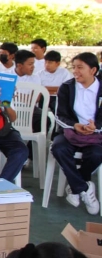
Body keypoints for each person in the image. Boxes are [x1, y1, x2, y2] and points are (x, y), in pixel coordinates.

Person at [52, 52, 102, 215]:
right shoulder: (67, 87)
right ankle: (84, 187)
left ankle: (75, 186)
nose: (76, 71)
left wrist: (96, 127)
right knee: (58, 148)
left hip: (96, 134)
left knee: (96, 154)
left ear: (93, 70)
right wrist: (75, 125)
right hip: (71, 132)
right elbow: (59, 115)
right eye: (74, 67)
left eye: (80, 68)